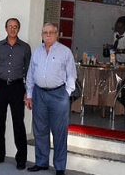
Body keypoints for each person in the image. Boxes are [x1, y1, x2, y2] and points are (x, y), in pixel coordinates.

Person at [25, 22, 77, 175]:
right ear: (42, 35)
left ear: (57, 33)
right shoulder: (37, 51)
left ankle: (60, 167)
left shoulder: (65, 52)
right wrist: (29, 94)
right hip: (39, 94)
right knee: (40, 130)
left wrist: (66, 94)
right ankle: (41, 162)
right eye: (45, 33)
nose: (47, 35)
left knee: (59, 132)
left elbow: (71, 75)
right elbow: (30, 73)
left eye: (51, 32)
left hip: (58, 95)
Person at [0, 17, 32, 170]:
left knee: (18, 123)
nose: (12, 29)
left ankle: (21, 159)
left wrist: (28, 92)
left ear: (18, 29)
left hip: (17, 88)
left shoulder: (25, 48)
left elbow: (29, 72)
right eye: (10, 26)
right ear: (5, 29)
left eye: (15, 27)